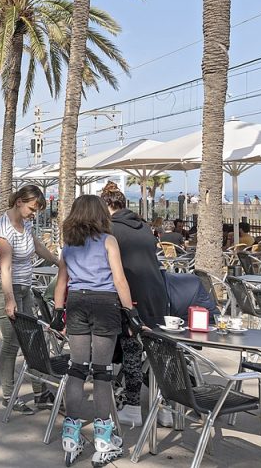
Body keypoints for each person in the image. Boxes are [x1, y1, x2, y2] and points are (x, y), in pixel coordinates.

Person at [52, 194, 139, 468]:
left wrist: (57, 311)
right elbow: (119, 279)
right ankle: (103, 439)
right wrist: (131, 313)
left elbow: (61, 281)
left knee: (77, 368)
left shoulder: (69, 245)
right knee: (102, 372)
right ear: (101, 214)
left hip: (76, 301)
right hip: (104, 303)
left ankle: (71, 435)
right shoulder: (108, 241)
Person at [100, 181, 169, 429]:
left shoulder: (109, 230)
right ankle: (166, 409)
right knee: (155, 353)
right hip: (158, 294)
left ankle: (132, 407)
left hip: (132, 296)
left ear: (108, 205)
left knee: (131, 350)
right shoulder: (144, 226)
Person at [0, 185, 60, 415]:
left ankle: (40, 394)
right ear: (19, 201)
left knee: (33, 338)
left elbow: (39, 248)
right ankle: (9, 395)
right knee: (12, 343)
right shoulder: (3, 228)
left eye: (37, 210)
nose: (34, 213)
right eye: (32, 208)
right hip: (3, 289)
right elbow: (5, 268)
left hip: (25, 288)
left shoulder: (26, 225)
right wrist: (10, 300)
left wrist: (60, 263)